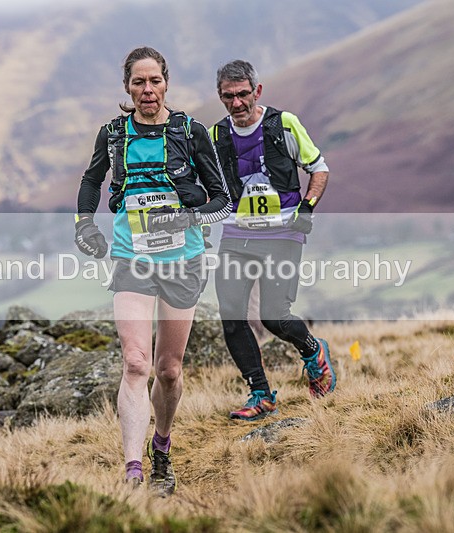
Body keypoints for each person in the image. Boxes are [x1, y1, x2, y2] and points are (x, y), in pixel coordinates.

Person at [74, 47, 231, 493]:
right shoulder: (113, 135)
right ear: (127, 87)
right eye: (139, 82)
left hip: (184, 260)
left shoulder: (189, 131)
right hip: (132, 260)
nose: (147, 90)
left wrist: (187, 218)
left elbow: (222, 200)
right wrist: (84, 224)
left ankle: (161, 445)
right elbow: (91, 180)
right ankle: (133, 471)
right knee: (136, 363)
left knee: (168, 370)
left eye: (155, 81)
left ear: (166, 83)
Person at [209, 59, 336, 422]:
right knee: (232, 317)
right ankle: (261, 394)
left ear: (257, 91)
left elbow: (319, 168)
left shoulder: (284, 124)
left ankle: (313, 351)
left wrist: (308, 206)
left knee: (274, 317)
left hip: (283, 234)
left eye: (243, 94)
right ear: (220, 96)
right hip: (236, 235)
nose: (237, 103)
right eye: (228, 96)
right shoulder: (216, 136)